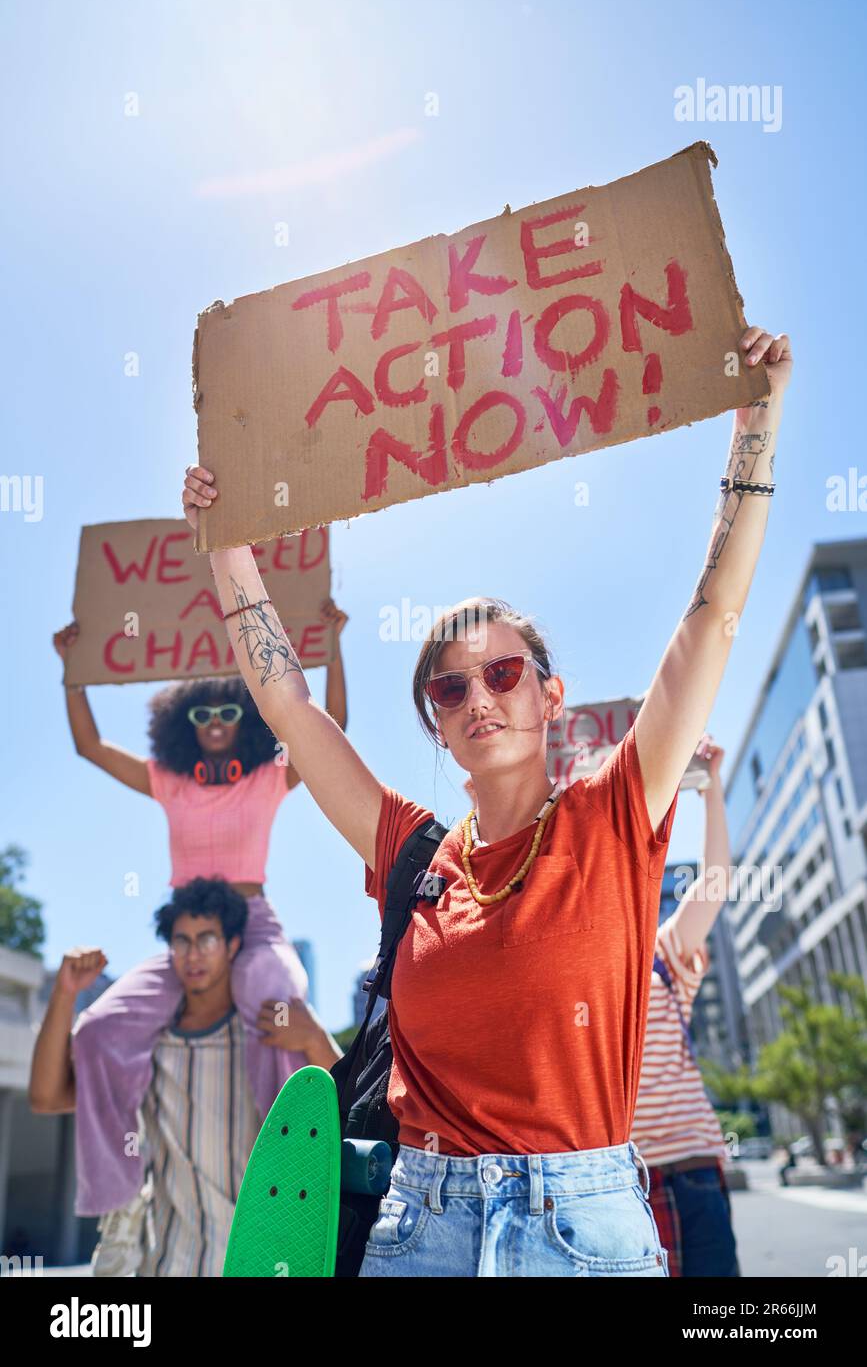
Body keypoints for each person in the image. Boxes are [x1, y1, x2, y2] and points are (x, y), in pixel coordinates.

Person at [181, 322, 791, 1277]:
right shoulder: (409, 852)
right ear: (435, 721)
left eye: (502, 672)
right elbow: (288, 704)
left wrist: (755, 422)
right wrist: (228, 551)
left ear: (550, 695)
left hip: (581, 1230)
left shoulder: (616, 812)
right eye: (449, 688)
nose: (478, 698)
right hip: (417, 1228)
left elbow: (713, 614)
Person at [51, 599, 349, 1219]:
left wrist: (334, 645)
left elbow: (333, 725)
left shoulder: (268, 776)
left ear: (244, 721)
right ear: (186, 723)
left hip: (252, 923)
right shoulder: (169, 781)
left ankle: (285, 1178)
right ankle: (118, 1198)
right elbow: (86, 747)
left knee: (278, 1008)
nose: (216, 721)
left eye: (228, 712)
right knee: (99, 1031)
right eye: (204, 713)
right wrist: (71, 669)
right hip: (187, 933)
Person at [29, 877, 343, 1277]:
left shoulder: (267, 1039)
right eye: (181, 941)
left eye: (207, 939)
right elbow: (46, 1098)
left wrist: (315, 1038)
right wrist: (64, 993)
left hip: (261, 1261)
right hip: (168, 1262)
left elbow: (342, 1107)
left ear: (232, 946)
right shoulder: (145, 1045)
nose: (193, 954)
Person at [630, 736, 741, 1277]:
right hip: (619, 1181)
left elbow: (715, 885)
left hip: (692, 1172)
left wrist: (710, 786)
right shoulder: (566, 964)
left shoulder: (662, 954)